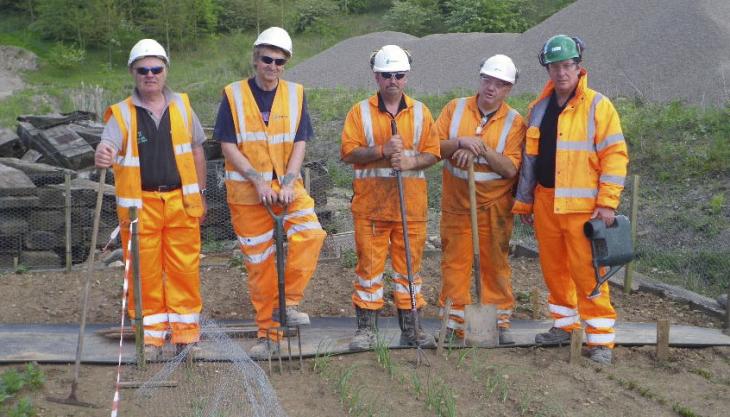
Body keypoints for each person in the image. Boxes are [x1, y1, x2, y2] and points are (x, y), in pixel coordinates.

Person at [512, 35, 629, 364]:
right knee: (555, 270)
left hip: (583, 210)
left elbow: (615, 156)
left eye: (567, 66)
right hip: (546, 203)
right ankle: (564, 325)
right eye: (555, 66)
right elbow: (530, 160)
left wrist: (607, 202)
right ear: (547, 69)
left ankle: (601, 340)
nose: (561, 72)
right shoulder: (538, 108)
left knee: (588, 274)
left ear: (579, 68)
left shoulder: (597, 106)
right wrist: (526, 202)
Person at [214, 27, 326, 356]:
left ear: (285, 64)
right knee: (260, 264)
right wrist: (258, 181)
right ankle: (269, 337)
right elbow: (227, 143)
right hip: (249, 194)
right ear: (256, 58)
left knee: (311, 235)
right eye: (267, 59)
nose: (272, 66)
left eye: (279, 61)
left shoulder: (295, 94)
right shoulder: (233, 95)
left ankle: (286, 303)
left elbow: (300, 140)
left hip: (288, 187)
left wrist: (290, 180)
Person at [95, 39, 207, 359]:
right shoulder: (121, 114)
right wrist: (103, 153)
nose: (150, 75)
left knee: (184, 270)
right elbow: (108, 144)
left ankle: (187, 338)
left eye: (156, 68)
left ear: (165, 70)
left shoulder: (183, 106)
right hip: (140, 207)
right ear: (133, 72)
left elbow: (198, 148)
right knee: (144, 273)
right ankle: (152, 340)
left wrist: (200, 193)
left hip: (181, 203)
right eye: (143, 70)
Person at [341, 45, 440, 350]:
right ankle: (366, 331)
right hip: (372, 208)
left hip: (410, 209)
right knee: (369, 271)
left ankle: (411, 329)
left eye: (398, 74)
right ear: (376, 77)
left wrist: (411, 161)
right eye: (386, 75)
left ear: (406, 77)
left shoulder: (421, 112)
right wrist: (381, 151)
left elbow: (433, 152)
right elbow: (348, 152)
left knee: (409, 272)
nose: (392, 80)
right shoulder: (360, 112)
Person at [435, 55, 526, 345]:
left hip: (495, 206)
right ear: (480, 79)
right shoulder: (455, 108)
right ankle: (454, 322)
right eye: (488, 80)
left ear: (508, 89)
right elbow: (433, 146)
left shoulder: (514, 122)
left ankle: (498, 322)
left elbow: (511, 167)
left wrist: (481, 149)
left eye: (500, 84)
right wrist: (460, 143)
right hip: (457, 202)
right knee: (455, 262)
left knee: (495, 264)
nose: (491, 88)